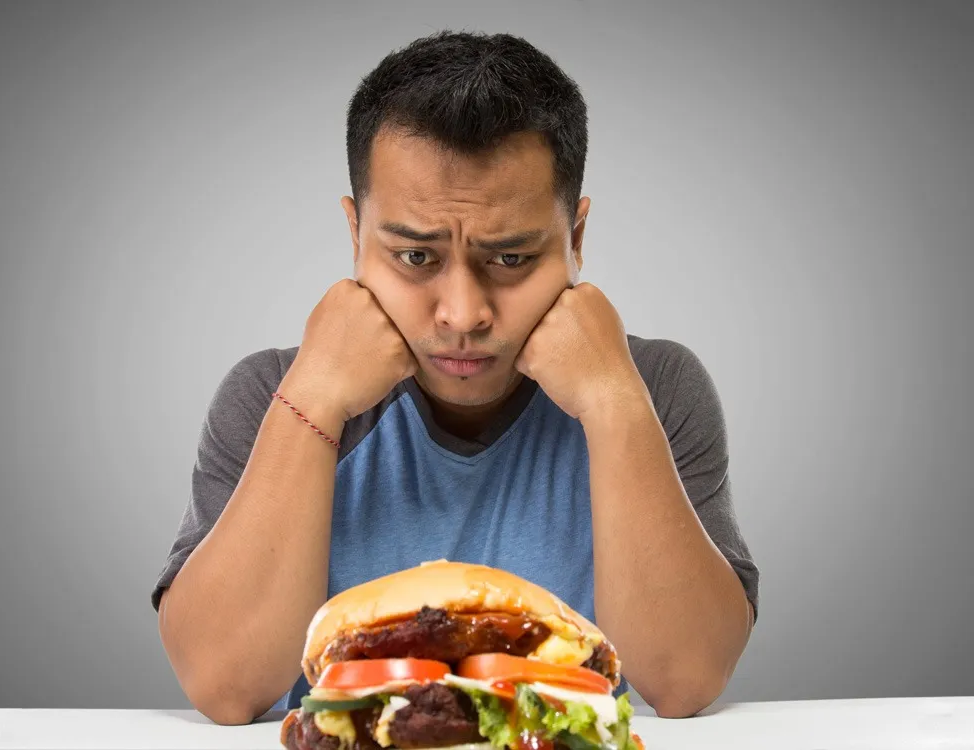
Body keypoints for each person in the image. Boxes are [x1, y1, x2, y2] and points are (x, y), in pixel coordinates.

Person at [151, 30, 759, 726]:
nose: (463, 315)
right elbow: (224, 689)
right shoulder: (269, 394)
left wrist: (613, 403)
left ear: (577, 239)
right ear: (356, 236)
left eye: (510, 259)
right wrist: (312, 400)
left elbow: (685, 681)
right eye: (415, 256)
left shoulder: (655, 386)